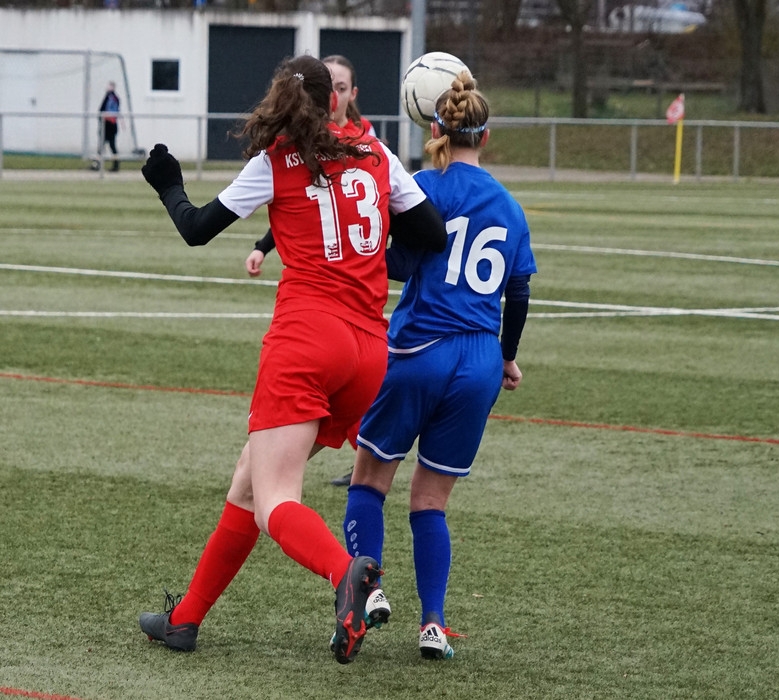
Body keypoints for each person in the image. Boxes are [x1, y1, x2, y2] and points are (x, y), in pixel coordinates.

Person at [136, 54, 447, 663]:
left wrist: (167, 183)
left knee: (276, 499)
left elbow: (197, 228)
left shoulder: (275, 160)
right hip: (368, 351)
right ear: (334, 101)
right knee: (248, 484)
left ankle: (347, 575)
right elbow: (431, 235)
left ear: (282, 101)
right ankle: (185, 619)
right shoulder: (376, 153)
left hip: (307, 341)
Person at [341, 70, 536, 659]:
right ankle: (433, 625)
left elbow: (399, 264)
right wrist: (507, 356)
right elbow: (519, 292)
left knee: (368, 481)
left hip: (420, 348)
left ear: (435, 130)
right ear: (487, 136)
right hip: (479, 360)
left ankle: (368, 593)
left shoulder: (422, 186)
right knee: (430, 502)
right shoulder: (510, 206)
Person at [244, 54, 375, 488]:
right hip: (354, 328)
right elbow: (305, 210)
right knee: (252, 481)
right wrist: (264, 246)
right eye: (330, 85)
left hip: (331, 315)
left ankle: (369, 459)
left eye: (342, 86)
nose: (335, 93)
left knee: (266, 490)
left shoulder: (367, 144)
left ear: (351, 95)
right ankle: (367, 459)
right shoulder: (302, 150)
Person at [98, 81, 121, 172]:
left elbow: (111, 111)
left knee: (112, 145)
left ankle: (116, 165)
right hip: (105, 124)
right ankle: (98, 164)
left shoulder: (113, 98)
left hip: (110, 124)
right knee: (101, 145)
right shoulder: (108, 97)